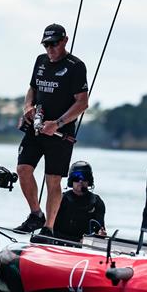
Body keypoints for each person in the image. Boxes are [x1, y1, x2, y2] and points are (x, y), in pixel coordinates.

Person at [15, 23, 89, 237]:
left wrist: (57, 123)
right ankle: (35, 214)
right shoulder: (40, 61)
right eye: (46, 45)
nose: (50, 49)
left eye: (54, 44)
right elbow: (33, 88)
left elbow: (82, 103)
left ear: (65, 41)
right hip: (36, 127)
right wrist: (27, 107)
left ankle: (49, 228)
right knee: (23, 169)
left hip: (60, 132)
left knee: (52, 179)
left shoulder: (76, 66)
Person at [52, 161, 106, 242]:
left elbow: (100, 229)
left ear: (89, 181)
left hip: (85, 247)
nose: (80, 181)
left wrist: (101, 234)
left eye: (84, 178)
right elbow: (50, 229)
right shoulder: (61, 200)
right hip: (61, 243)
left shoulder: (96, 202)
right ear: (71, 180)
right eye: (76, 178)